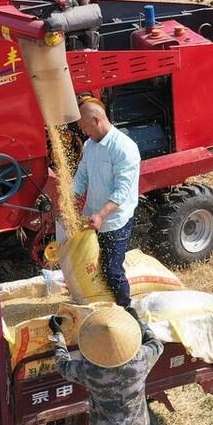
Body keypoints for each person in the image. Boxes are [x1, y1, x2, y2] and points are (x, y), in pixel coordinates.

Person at [72, 98, 141, 307]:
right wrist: (67, 197)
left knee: (112, 269)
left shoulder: (123, 148)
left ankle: (125, 308)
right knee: (94, 266)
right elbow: (82, 177)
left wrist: (101, 215)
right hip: (92, 217)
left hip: (114, 221)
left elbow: (122, 191)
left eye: (84, 126)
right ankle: (103, 304)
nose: (83, 131)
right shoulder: (90, 145)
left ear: (96, 120)